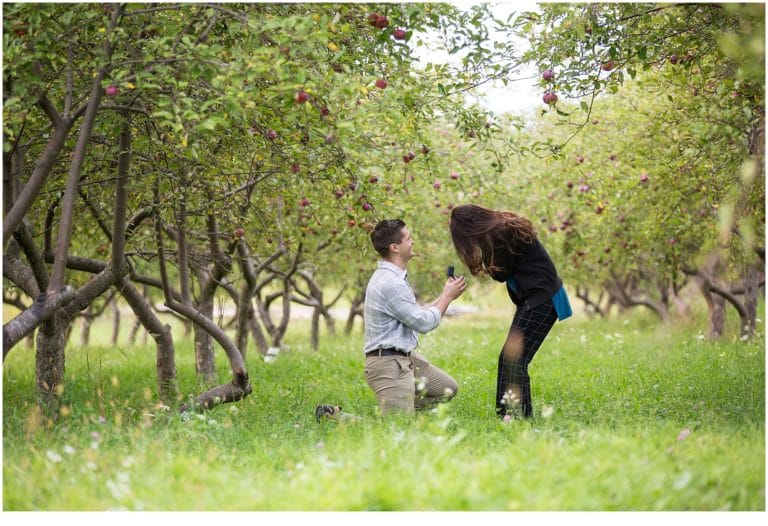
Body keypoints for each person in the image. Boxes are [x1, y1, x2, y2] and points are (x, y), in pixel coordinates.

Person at [449, 204, 572, 419]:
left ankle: (517, 416)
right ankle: (510, 414)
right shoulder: (501, 227)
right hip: (540, 297)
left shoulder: (500, 234)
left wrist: (486, 261)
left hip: (542, 298)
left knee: (514, 359)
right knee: (511, 358)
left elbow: (501, 274)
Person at [363, 219, 467, 415]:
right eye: (409, 238)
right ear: (394, 247)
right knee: (396, 426)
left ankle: (401, 407)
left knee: (446, 389)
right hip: (388, 365)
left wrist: (445, 294)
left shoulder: (394, 277)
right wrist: (447, 297)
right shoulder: (391, 283)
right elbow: (424, 323)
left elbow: (415, 313)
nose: (413, 242)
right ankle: (334, 416)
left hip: (406, 359)